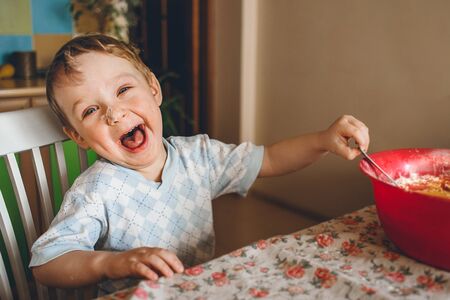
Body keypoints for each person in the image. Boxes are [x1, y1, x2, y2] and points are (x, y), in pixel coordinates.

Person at [30, 33, 370, 294]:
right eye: (90, 111)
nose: (114, 113)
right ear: (79, 137)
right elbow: (47, 263)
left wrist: (323, 140)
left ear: (153, 89)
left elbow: (269, 158)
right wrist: (110, 262)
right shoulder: (95, 191)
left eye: (122, 90)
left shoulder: (199, 157)